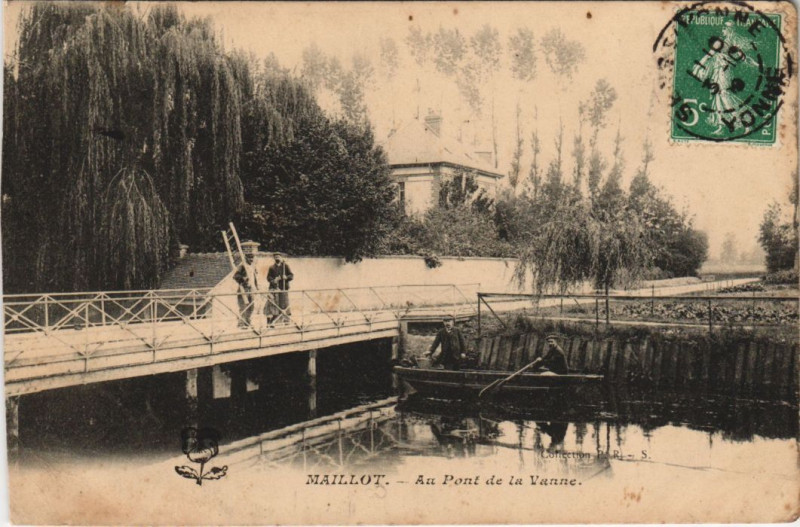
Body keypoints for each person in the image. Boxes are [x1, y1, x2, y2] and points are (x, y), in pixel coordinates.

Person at [265, 252, 294, 325]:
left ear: (281, 257)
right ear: (274, 258)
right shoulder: (271, 267)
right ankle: (278, 321)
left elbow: (291, 275)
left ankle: (286, 320)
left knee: (285, 303)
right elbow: (268, 278)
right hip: (275, 288)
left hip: (283, 287)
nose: (277, 258)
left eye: (278, 257)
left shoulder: (285, 266)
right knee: (276, 305)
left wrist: (286, 277)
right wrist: (273, 280)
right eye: (275, 257)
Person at [233, 253, 259, 329]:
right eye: (249, 258)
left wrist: (256, 287)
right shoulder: (242, 266)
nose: (251, 260)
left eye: (252, 258)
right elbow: (235, 276)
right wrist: (243, 279)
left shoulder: (253, 267)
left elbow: (254, 278)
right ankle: (241, 323)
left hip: (251, 289)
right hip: (243, 289)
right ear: (246, 258)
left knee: (252, 306)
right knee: (243, 306)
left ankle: (248, 322)